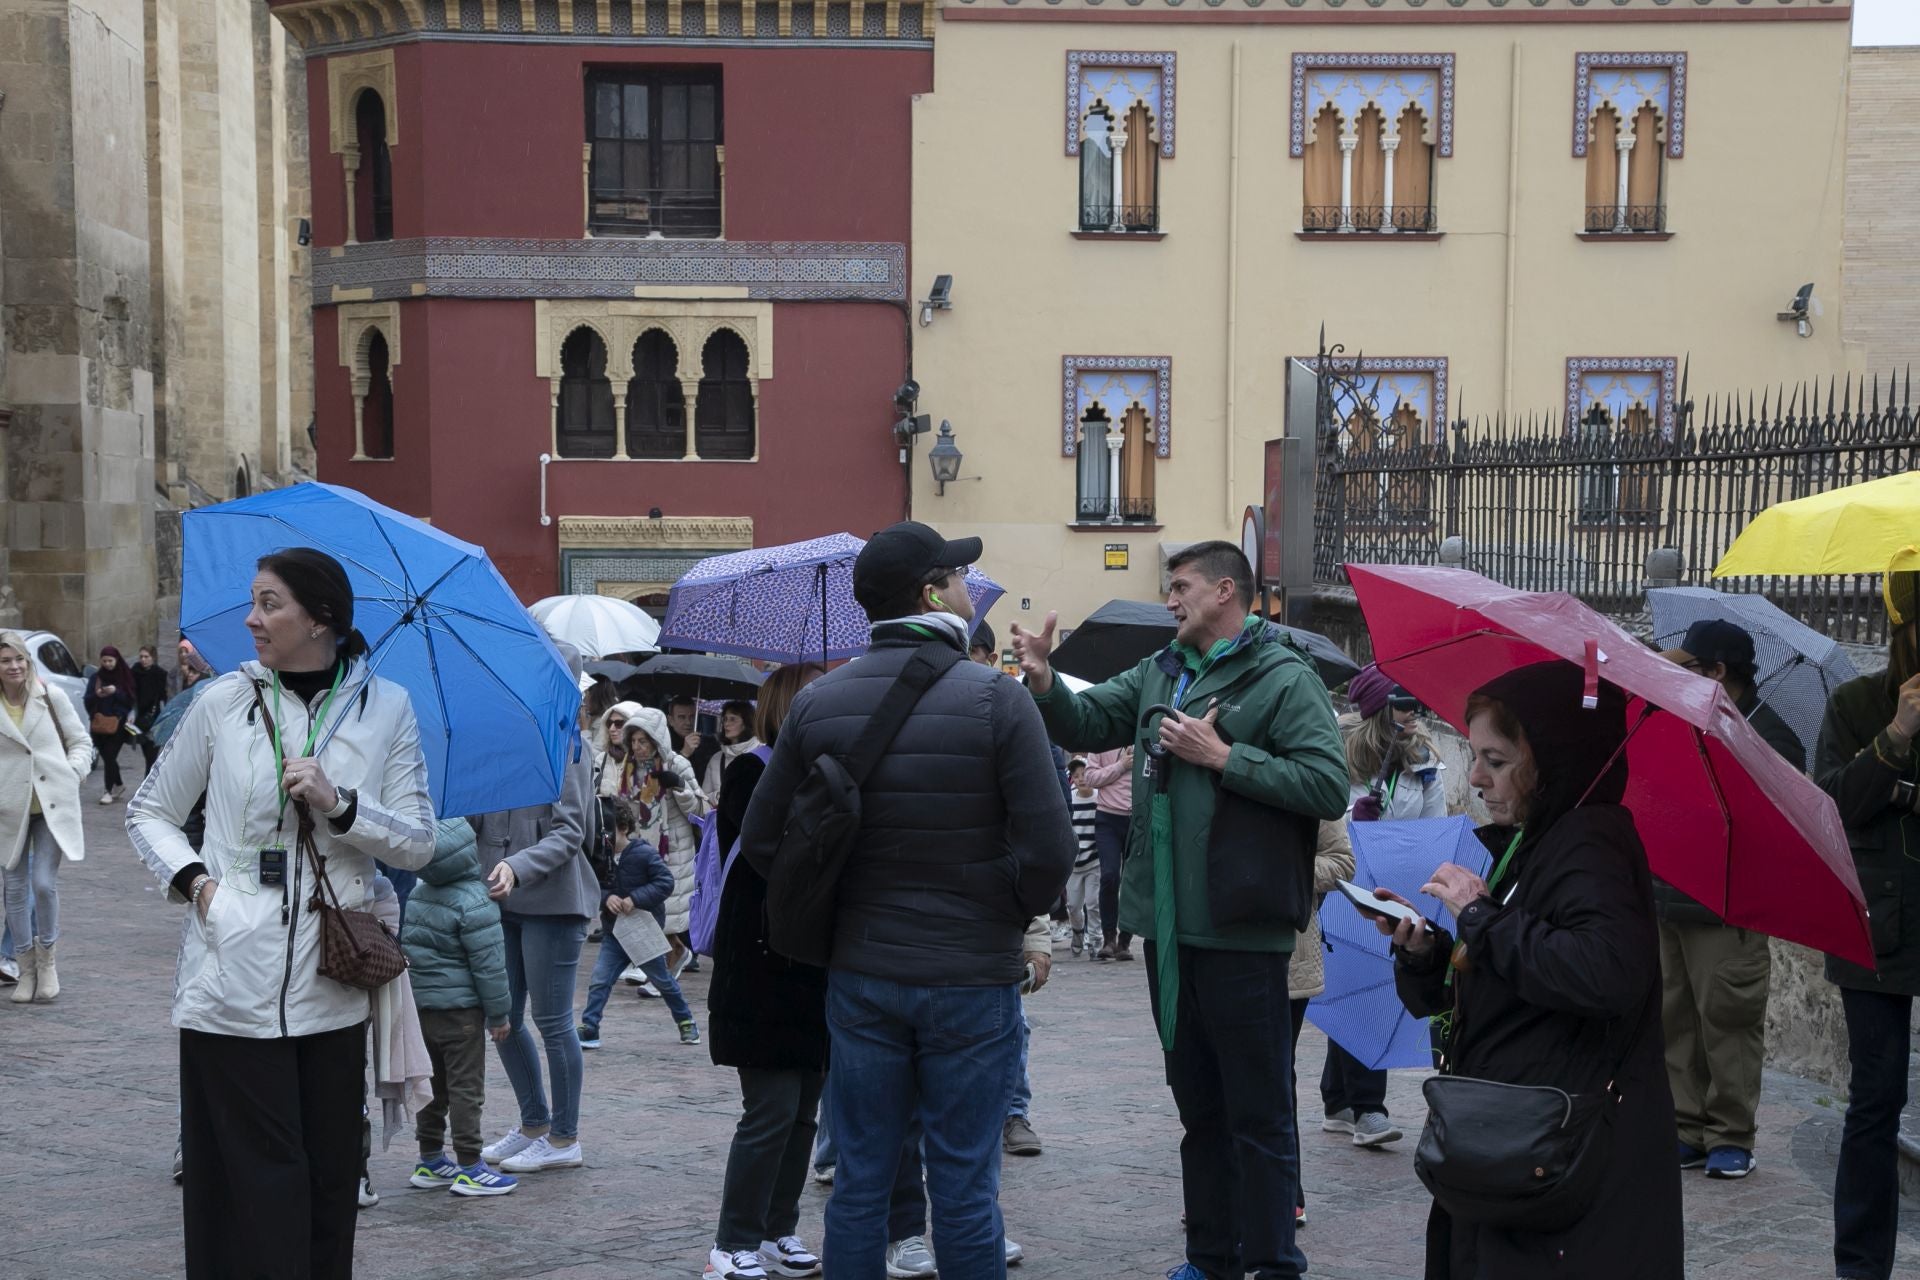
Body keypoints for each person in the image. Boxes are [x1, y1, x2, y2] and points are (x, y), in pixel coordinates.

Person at [742, 520, 1076, 1280]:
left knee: (861, 1177)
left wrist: (840, 913)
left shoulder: (818, 702)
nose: (967, 586)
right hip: (970, 974)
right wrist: (1002, 912)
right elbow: (1052, 849)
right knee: (965, 1182)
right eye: (956, 576)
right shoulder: (998, 699)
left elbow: (764, 845)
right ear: (932, 594)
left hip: (864, 970)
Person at [1011, 539, 1348, 1280]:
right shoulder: (1162, 670)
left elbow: (1328, 785)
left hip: (1244, 930)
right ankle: (1210, 1258)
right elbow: (1087, 720)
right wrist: (1043, 680)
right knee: (1199, 1112)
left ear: (1226, 591)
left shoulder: (1283, 676)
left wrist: (1225, 757)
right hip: (1169, 932)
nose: (1170, 600)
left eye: (1182, 586)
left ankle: (1274, 1263)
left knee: (1258, 1115)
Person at [125, 547, 437, 1278]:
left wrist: (341, 804)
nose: (251, 619)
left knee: (329, 1180)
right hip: (231, 982)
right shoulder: (222, 702)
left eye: (269, 604)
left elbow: (420, 841)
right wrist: (201, 887)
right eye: (253, 602)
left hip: (335, 982)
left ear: (320, 618)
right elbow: (150, 813)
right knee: (252, 1184)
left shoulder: (386, 707)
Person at [1374, 660, 1682, 1279]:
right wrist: (1428, 952)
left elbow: (1604, 973)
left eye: (1496, 760)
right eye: (1475, 757)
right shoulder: (1536, 837)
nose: (1476, 778)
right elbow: (1516, 969)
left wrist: (1479, 915)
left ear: (1554, 761)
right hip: (1517, 1138)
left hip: (1562, 1149)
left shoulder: (1589, 845)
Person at [1655, 619, 1802, 1183]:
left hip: (1727, 906)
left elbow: (1775, 825)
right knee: (1675, 1018)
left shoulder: (1769, 735)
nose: (1682, 675)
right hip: (1670, 894)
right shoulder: (1682, 718)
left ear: (1718, 672)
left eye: (1692, 666)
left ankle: (1732, 1135)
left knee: (1728, 1021)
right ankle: (1686, 1126)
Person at [705, 664, 826, 1280]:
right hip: (759, 968)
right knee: (771, 1108)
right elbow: (774, 850)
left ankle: (779, 1229)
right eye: (816, 698)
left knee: (803, 1111)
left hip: (812, 966)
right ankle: (732, 1241)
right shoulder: (751, 772)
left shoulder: (823, 772)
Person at [1816, 571, 1920, 1280]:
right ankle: (1861, 1267)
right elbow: (1832, 806)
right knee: (1877, 1100)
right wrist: (1896, 736)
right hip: (1876, 929)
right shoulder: (1855, 704)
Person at [470, 643, 600, 1179]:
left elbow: (570, 833)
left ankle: (564, 1137)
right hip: (499, 897)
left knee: (552, 1021)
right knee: (500, 1015)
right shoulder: (502, 738)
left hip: (554, 901)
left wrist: (517, 865)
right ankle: (532, 1124)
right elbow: (479, 815)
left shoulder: (569, 744)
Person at [1321, 663, 1439, 1151]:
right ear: (1378, 710)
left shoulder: (1423, 765)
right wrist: (1356, 816)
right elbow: (1323, 823)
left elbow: (1432, 829)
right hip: (1347, 891)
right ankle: (1369, 1108)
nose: (1413, 714)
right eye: (1402, 704)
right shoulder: (1336, 756)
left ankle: (1337, 1100)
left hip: (1395, 891)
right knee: (1360, 991)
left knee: (1366, 990)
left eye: (1416, 704)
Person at [401, 818, 516, 1198]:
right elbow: (489, 966)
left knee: (431, 1086)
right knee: (466, 1088)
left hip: (423, 1010)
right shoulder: (476, 900)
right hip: (462, 1013)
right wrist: (499, 1015)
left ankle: (430, 1158)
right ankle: (470, 1165)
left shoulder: (418, 894)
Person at [1, 630, 92, 1004]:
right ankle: (24, 969)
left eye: (19, 659)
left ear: (28, 661)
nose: (14, 666)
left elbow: (81, 741)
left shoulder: (50, 696)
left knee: (42, 883)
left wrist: (73, 772)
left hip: (51, 808)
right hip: (9, 811)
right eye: (6, 660)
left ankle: (48, 962)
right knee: (14, 889)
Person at [577, 796, 699, 1048]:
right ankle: (590, 1027)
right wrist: (607, 898)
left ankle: (686, 1021)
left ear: (623, 828)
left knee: (663, 981)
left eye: (607, 831)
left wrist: (635, 899)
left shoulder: (643, 853)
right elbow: (592, 886)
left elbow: (665, 882)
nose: (603, 837)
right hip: (615, 933)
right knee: (600, 980)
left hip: (643, 932)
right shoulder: (601, 857)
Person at [1286, 818, 1355, 1228]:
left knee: (1275, 1074)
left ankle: (1284, 1190)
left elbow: (1342, 861)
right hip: (1211, 946)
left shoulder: (1308, 783)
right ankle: (1215, 1189)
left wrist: (1281, 869)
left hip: (1287, 955)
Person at [618, 709, 709, 973]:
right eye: (633, 741)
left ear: (656, 740)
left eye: (643, 741)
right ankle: (651, 962)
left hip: (672, 848)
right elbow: (628, 807)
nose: (637, 747)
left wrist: (679, 786)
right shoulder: (630, 767)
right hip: (641, 847)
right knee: (643, 905)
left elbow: (699, 810)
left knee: (666, 909)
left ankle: (668, 964)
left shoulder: (677, 764)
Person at [1081, 745, 1135, 960]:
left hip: (1137, 818)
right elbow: (1090, 778)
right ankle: (1109, 938)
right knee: (1110, 875)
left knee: (1133, 880)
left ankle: (1125, 941)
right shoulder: (1102, 742)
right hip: (1107, 817)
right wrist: (1121, 766)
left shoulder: (1144, 738)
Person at [85, 644, 135, 804]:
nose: (107, 664)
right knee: (108, 758)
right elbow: (87, 699)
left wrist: (116, 692)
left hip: (117, 725)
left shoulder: (124, 677)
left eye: (110, 661)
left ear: (116, 660)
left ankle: (108, 791)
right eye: (104, 661)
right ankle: (119, 784)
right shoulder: (96, 678)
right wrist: (98, 695)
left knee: (110, 756)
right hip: (99, 725)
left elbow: (130, 700)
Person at [1064, 759, 1101, 957]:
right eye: (1076, 776)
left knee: (1094, 903)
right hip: (1073, 864)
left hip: (1095, 861)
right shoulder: (1069, 800)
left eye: (1084, 774)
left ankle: (1095, 940)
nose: (1081, 779)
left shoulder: (1099, 798)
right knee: (1073, 906)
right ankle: (1078, 932)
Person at [703, 699, 762, 806]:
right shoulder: (716, 759)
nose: (726, 724)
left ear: (746, 723)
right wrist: (718, 796)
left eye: (732, 719)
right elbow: (704, 799)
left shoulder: (761, 754)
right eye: (725, 719)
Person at [133, 645, 171, 774]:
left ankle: (147, 782)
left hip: (155, 719)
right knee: (147, 754)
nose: (143, 660)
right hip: (140, 720)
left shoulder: (160, 674)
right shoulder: (135, 672)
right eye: (141, 657)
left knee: (151, 756)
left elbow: (164, 697)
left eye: (146, 657)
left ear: (153, 658)